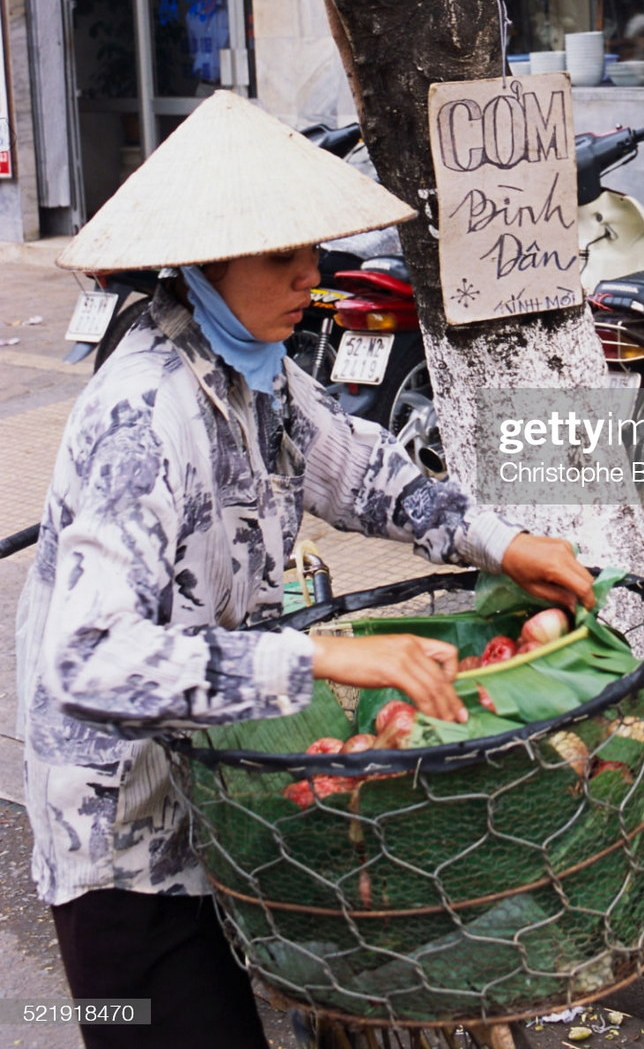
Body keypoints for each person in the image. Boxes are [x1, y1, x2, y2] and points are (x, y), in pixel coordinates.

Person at [17, 91, 594, 1049]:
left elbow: (362, 469)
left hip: (221, 798)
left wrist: (502, 541)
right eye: (280, 257)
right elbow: (87, 661)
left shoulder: (259, 375)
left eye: (311, 252)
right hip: (123, 841)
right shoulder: (143, 414)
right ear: (206, 264)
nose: (310, 276)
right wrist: (321, 661)